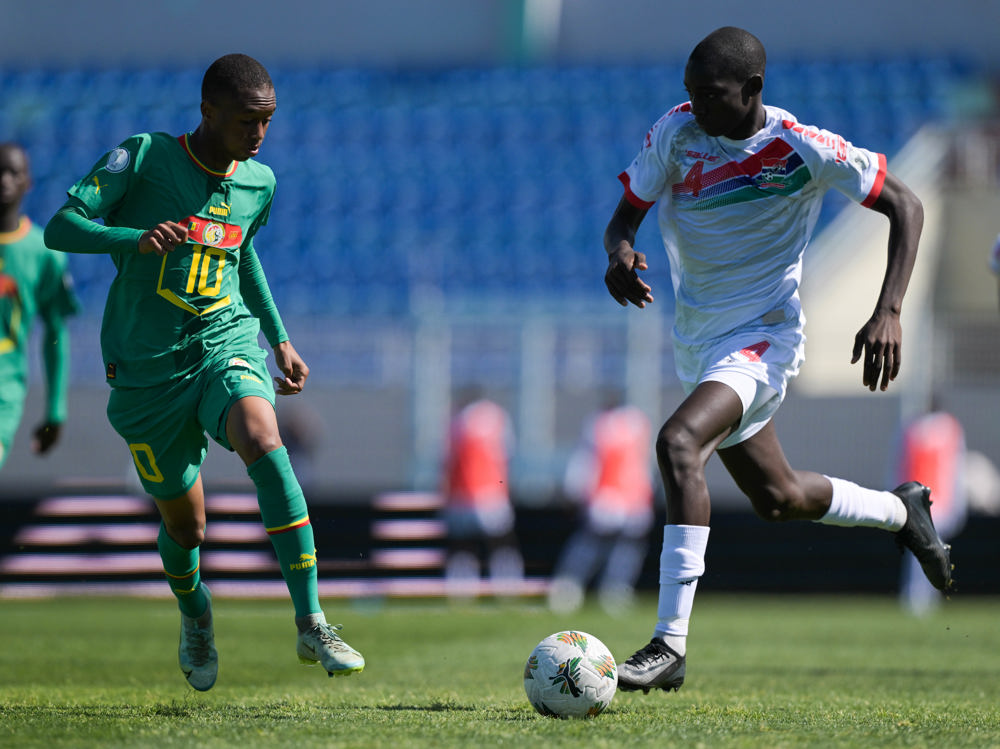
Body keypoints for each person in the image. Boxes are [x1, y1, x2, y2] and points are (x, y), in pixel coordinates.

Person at [602, 27, 952, 694]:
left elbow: (906, 204)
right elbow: (623, 219)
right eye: (690, 92)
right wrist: (619, 252)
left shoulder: (800, 147)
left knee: (679, 443)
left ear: (753, 89)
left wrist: (889, 309)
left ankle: (669, 644)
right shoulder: (677, 133)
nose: (696, 106)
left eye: (711, 94)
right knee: (778, 497)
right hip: (699, 342)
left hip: (763, 339)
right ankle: (900, 511)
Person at [43, 53, 363, 691]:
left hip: (224, 339)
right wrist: (133, 238)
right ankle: (195, 612)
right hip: (146, 368)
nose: (259, 134)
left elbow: (243, 254)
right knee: (186, 526)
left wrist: (278, 338)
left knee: (264, 439)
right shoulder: (145, 157)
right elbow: (60, 227)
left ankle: (312, 621)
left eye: (267, 121)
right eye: (247, 120)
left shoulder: (259, 182)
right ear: (207, 111)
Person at [0, 143, 78, 471]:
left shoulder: (43, 252)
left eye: (12, 172)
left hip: (4, 387)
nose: (4, 180)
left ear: (28, 182)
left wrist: (55, 411)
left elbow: (55, 333)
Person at [547, 396, 654, 615]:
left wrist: (574, 489)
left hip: (626, 496)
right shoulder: (614, 423)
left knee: (620, 547)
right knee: (595, 544)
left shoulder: (620, 423)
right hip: (611, 494)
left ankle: (611, 590)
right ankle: (572, 586)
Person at [440, 389, 524, 598]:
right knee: (500, 543)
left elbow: (448, 460)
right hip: (492, 493)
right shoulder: (498, 417)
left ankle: (461, 589)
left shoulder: (457, 420)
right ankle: (508, 586)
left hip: (463, 495)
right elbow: (507, 456)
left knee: (463, 545)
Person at [891, 403, 967, 616]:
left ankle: (924, 595)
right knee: (920, 552)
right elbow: (900, 466)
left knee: (927, 551)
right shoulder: (912, 430)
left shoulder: (947, 428)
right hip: (919, 502)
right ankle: (918, 596)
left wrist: (956, 502)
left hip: (937, 501)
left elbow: (955, 469)